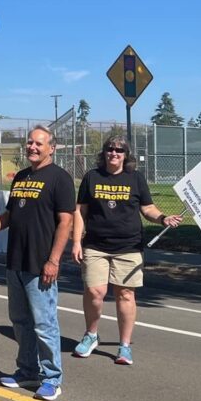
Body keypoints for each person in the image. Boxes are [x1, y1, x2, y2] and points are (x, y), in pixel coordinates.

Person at [0, 126, 74, 401]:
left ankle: (52, 378)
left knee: (44, 324)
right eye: (29, 142)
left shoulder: (60, 178)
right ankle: (27, 371)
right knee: (20, 321)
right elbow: (8, 217)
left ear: (51, 148)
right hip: (16, 261)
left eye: (39, 143)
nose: (32, 147)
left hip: (41, 264)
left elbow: (66, 222)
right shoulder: (22, 177)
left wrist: (53, 260)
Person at [70, 134, 181, 366]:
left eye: (119, 150)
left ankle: (125, 345)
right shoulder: (92, 177)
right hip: (96, 246)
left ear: (125, 155)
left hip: (129, 247)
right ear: (104, 153)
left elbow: (147, 208)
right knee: (94, 292)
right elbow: (80, 211)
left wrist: (163, 218)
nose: (114, 153)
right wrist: (76, 241)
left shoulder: (135, 178)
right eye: (110, 149)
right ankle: (91, 335)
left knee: (125, 294)